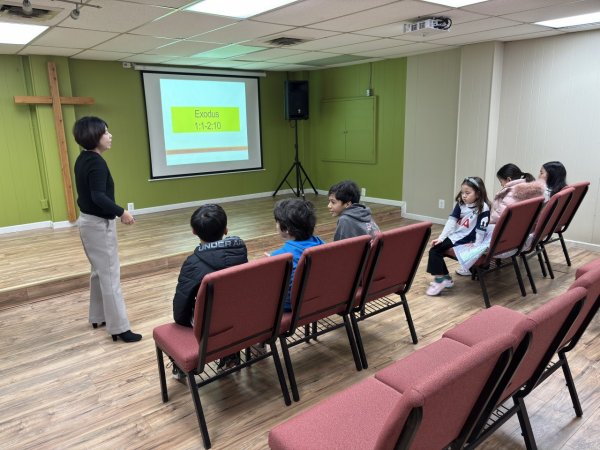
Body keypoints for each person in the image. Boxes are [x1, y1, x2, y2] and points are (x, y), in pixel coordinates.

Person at [73, 116, 141, 343]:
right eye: (105, 132)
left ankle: (98, 316)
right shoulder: (97, 163)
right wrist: (122, 212)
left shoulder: (83, 159)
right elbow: (98, 197)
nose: (110, 136)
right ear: (94, 136)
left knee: (99, 272)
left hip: (87, 222)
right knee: (110, 275)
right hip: (98, 226)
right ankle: (119, 328)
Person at [171, 204, 248, 374]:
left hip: (209, 324)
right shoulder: (240, 252)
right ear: (226, 229)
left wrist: (182, 322)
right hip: (241, 315)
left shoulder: (192, 263)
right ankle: (230, 354)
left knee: (195, 316)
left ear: (193, 231)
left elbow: (181, 305)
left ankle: (181, 364)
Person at [426, 177, 491, 296]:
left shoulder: (483, 207)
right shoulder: (461, 204)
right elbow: (451, 222)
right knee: (435, 248)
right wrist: (441, 238)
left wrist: (476, 245)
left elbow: (481, 229)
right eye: (462, 192)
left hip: (466, 238)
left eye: (467, 193)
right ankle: (446, 278)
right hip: (456, 235)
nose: (464, 196)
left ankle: (440, 280)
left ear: (478, 193)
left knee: (434, 251)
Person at [270, 198, 325, 312]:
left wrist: (270, 261)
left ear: (286, 229)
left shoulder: (280, 257)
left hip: (291, 306)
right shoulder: (322, 244)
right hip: (318, 298)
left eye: (277, 221)